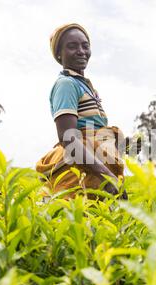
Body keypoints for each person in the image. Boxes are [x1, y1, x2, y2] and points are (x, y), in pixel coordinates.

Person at [36, 23, 129, 200]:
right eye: (72, 46)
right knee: (76, 218)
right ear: (59, 53)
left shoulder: (86, 87)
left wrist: (123, 145)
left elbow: (92, 134)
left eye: (85, 46)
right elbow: (68, 137)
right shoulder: (66, 84)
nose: (81, 51)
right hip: (82, 169)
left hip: (93, 166)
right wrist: (107, 176)